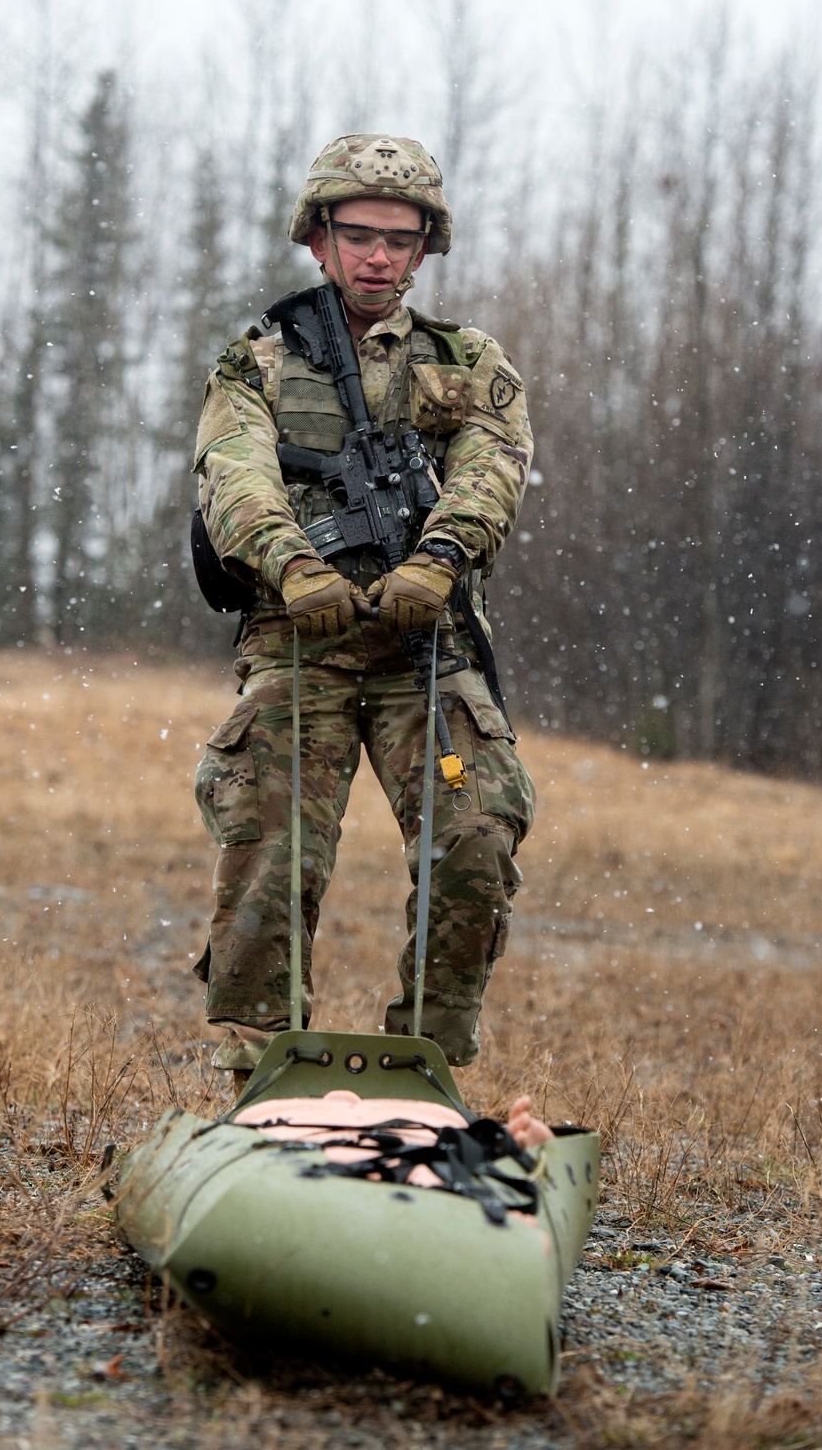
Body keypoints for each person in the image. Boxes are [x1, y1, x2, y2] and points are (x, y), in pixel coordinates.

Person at [191, 133, 536, 1088]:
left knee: (475, 836)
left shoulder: (466, 361)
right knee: (270, 848)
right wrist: (295, 566)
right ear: (318, 239)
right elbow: (235, 475)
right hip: (301, 639)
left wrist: (439, 559)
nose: (379, 256)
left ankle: (428, 1068)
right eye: (359, 235)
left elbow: (493, 468)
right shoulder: (256, 361)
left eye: (401, 237)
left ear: (425, 248)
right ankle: (261, 1077)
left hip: (426, 645)